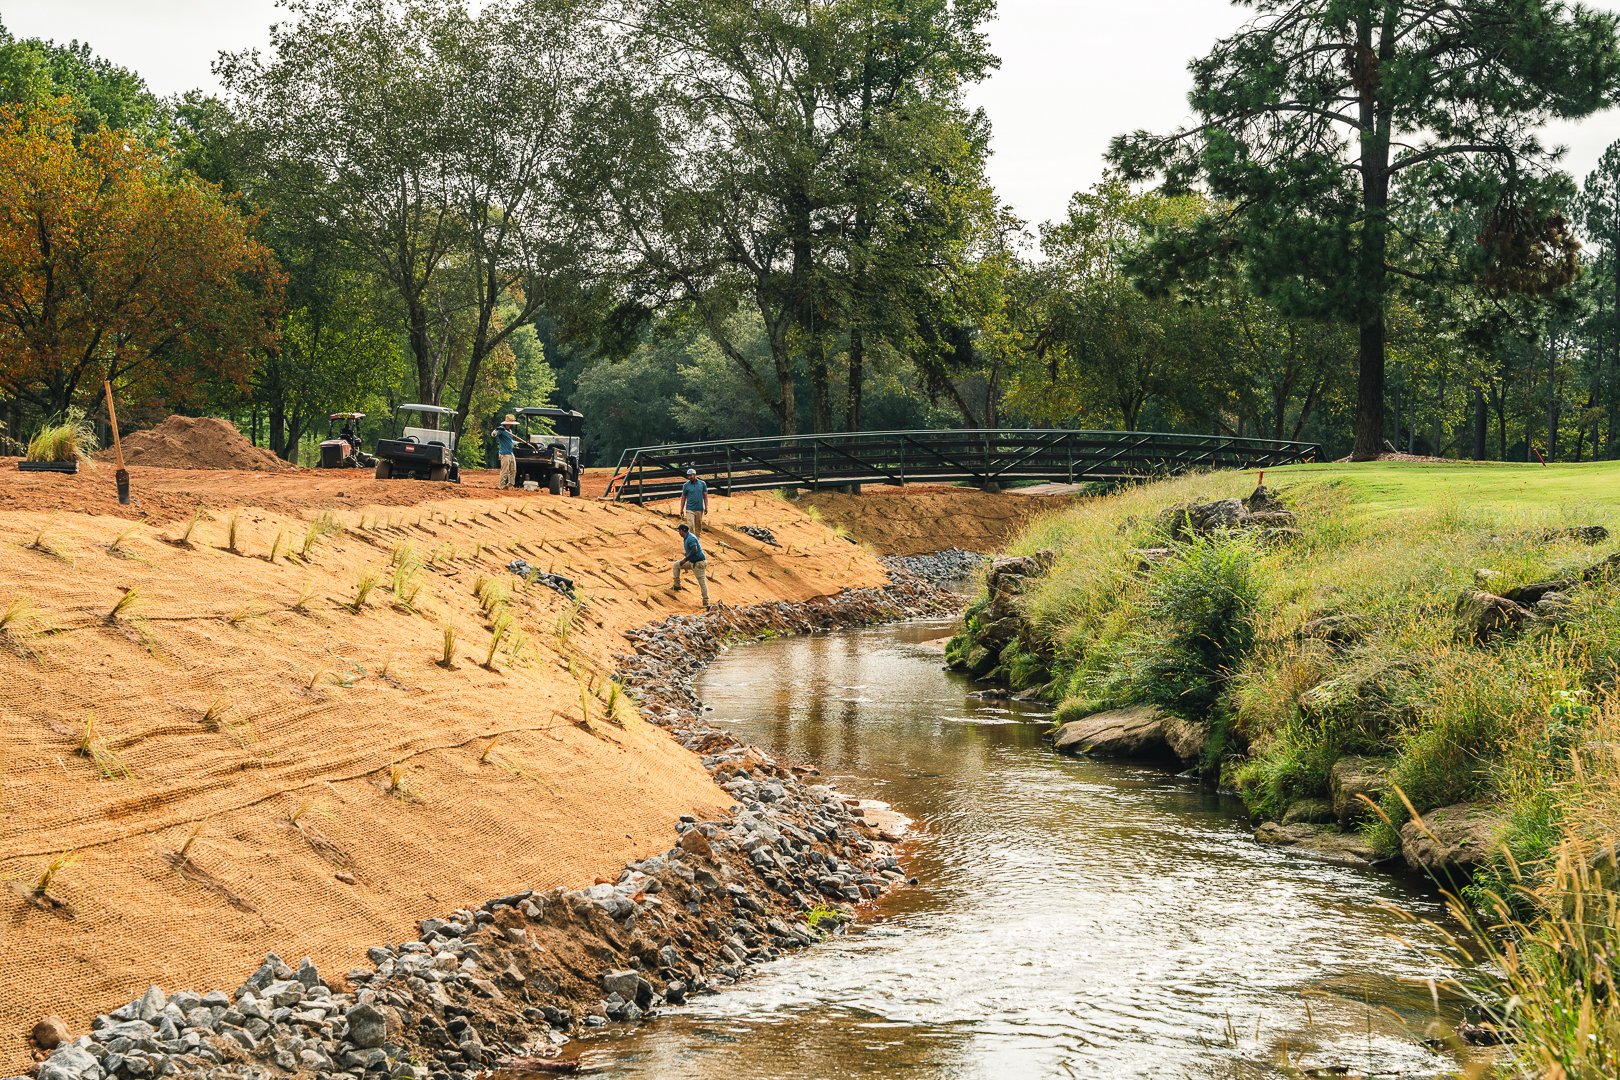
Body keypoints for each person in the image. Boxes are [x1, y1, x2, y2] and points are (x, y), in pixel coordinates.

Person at [669, 522, 710, 607]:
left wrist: (685, 559)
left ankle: (706, 602)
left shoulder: (690, 538)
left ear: (682, 531)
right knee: (676, 565)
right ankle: (677, 585)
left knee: (702, 582)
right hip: (692, 562)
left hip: (698, 563)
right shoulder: (687, 537)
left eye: (679, 530)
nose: (678, 532)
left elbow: (694, 550)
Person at [492, 414, 520, 490]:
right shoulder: (501, 430)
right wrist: (496, 430)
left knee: (513, 470)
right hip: (504, 453)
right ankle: (502, 485)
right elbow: (493, 435)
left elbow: (510, 441)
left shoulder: (509, 431)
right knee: (505, 470)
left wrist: (519, 443)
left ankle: (510, 486)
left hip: (511, 453)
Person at [681, 467, 709, 535]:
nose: (689, 477)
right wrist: (681, 509)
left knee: (698, 527)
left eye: (691, 475)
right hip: (690, 509)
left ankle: (696, 541)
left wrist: (706, 507)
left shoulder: (702, 484)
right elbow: (683, 497)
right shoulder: (686, 485)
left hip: (699, 509)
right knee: (690, 526)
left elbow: (705, 496)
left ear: (695, 475)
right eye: (688, 476)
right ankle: (692, 541)